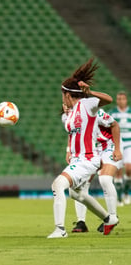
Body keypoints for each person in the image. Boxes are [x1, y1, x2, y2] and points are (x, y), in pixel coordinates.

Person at [47, 58, 119, 238]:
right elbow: (74, 133)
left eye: (63, 94)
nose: (62, 97)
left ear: (67, 94)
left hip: (88, 158)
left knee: (58, 185)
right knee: (76, 193)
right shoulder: (70, 114)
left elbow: (108, 99)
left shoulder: (87, 104)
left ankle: (60, 230)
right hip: (78, 158)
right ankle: (108, 218)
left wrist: (90, 92)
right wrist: (68, 150)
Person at [61, 107, 121, 233]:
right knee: (78, 187)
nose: (66, 108)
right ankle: (81, 222)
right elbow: (72, 134)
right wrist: (69, 151)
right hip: (89, 151)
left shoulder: (94, 112)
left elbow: (114, 125)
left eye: (68, 106)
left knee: (104, 179)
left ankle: (112, 217)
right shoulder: (66, 118)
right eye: (64, 105)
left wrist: (117, 148)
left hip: (108, 146)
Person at [109, 92, 131, 205]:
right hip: (118, 145)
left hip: (129, 144)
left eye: (122, 99)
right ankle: (118, 198)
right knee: (118, 172)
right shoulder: (112, 113)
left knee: (129, 169)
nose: (120, 101)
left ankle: (126, 192)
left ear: (126, 100)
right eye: (118, 99)